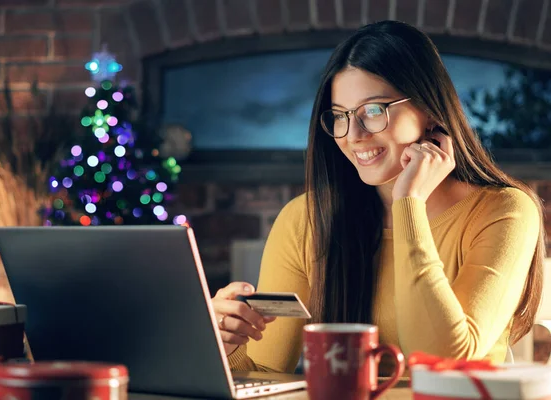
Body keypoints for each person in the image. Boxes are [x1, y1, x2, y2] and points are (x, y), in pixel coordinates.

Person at [211, 20, 546, 373]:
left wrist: (409, 204)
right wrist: (225, 338)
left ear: (430, 109)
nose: (353, 135)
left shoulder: (504, 211)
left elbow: (443, 362)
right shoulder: (307, 218)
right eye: (340, 116)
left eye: (373, 111)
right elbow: (264, 369)